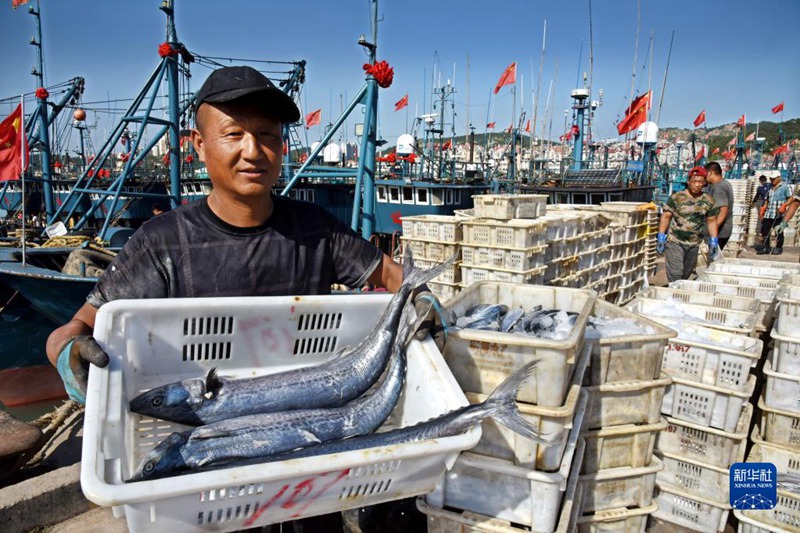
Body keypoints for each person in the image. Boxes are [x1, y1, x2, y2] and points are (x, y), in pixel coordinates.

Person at [45, 65, 441, 532]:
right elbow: (76, 328)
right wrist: (69, 352)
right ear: (199, 144)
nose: (253, 150)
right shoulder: (160, 243)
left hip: (309, 489)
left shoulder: (316, 229)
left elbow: (395, 277)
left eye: (267, 135)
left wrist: (422, 300)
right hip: (208, 504)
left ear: (282, 146)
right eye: (234, 134)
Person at [656, 166, 720, 282]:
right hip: (675, 241)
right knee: (676, 273)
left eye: (700, 182)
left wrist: (714, 240)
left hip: (694, 243)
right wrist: (661, 236)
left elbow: (711, 221)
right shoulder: (677, 197)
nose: (697, 184)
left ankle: (678, 290)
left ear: (704, 183)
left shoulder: (708, 200)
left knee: (686, 275)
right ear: (688, 181)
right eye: (694, 181)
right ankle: (674, 291)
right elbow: (666, 217)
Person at [758, 174, 793, 255]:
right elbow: (767, 199)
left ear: (779, 178)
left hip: (778, 214)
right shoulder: (769, 187)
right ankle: (766, 247)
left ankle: (778, 248)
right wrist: (764, 208)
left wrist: (784, 205)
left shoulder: (785, 186)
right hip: (769, 213)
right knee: (765, 231)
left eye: (774, 179)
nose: (772, 180)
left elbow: (791, 198)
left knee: (778, 231)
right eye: (771, 179)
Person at [705, 161, 734, 250]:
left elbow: (723, 211)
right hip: (724, 230)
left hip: (720, 232)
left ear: (710, 173)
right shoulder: (725, 183)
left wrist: (712, 230)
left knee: (713, 256)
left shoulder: (718, 187)